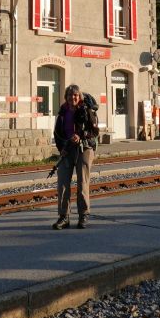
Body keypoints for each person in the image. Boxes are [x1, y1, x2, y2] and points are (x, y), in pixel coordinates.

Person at [51, 84, 99, 229]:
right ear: (66, 97)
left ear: (80, 97)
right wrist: (62, 149)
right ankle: (63, 217)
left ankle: (83, 215)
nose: (73, 97)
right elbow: (57, 133)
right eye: (70, 95)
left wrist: (81, 136)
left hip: (84, 149)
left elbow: (94, 132)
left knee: (82, 183)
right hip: (67, 150)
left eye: (76, 95)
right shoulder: (62, 112)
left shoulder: (86, 111)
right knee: (63, 184)